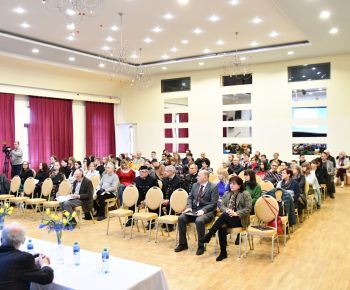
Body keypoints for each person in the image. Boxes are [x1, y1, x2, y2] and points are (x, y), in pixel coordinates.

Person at [199, 176, 252, 261]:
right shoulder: (227, 193)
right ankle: (223, 252)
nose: (231, 185)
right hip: (228, 218)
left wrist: (236, 213)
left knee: (224, 216)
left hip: (240, 219)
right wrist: (227, 210)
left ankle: (209, 235)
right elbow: (222, 205)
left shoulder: (245, 194)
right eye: (230, 183)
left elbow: (248, 208)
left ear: (240, 185)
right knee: (222, 227)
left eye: (234, 184)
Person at [175, 170, 218, 256]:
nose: (196, 177)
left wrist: (204, 210)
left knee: (199, 221)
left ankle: (201, 246)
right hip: (194, 210)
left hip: (207, 211)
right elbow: (190, 198)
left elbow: (214, 203)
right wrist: (189, 207)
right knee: (181, 218)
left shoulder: (213, 187)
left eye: (199, 176)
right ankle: (183, 244)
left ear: (205, 177)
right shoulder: (195, 185)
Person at [0, 222, 54, 289]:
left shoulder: (21, 259)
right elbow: (46, 278)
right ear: (23, 240)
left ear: (1, 239)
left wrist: (32, 264)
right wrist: (45, 264)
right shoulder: (22, 258)